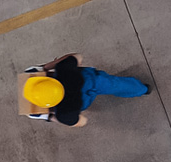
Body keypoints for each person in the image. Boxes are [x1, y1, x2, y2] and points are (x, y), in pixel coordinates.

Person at [22, 53, 150, 127]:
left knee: (110, 87)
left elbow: (82, 122)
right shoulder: (63, 68)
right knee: (115, 84)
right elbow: (77, 57)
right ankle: (142, 89)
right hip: (90, 80)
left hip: (82, 101)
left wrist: (50, 117)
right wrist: (46, 67)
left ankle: (142, 90)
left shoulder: (64, 115)